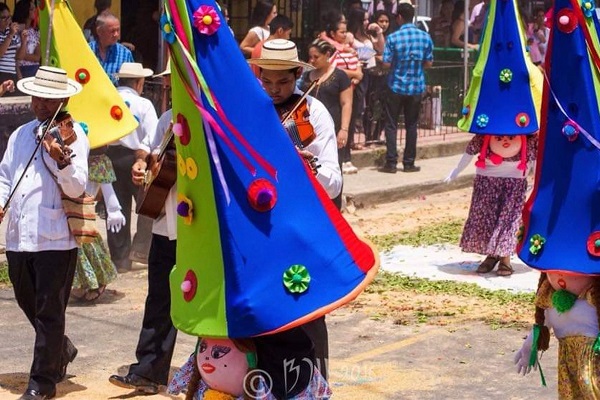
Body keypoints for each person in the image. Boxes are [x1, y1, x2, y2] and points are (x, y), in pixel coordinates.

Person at [248, 39, 342, 396]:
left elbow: (332, 182)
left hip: (301, 231)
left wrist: (307, 167)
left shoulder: (312, 113)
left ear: (297, 75)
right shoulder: (250, 111)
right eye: (267, 82)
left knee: (307, 312)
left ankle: (315, 388)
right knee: (263, 314)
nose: (275, 90)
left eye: (283, 83)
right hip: (260, 228)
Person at [0, 66, 89, 400]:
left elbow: (78, 185)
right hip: (20, 235)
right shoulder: (21, 134)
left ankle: (42, 383)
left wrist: (60, 160)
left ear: (62, 99)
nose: (39, 104)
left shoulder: (73, 133)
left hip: (55, 237)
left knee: (50, 311)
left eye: (47, 98)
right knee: (27, 301)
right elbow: (6, 174)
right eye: (36, 96)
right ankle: (60, 349)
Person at [109, 63, 177, 395]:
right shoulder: (166, 120)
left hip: (202, 228)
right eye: (170, 82)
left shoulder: (212, 122)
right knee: (159, 299)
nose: (172, 88)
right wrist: (141, 166)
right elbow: (150, 155)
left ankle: (222, 369)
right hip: (166, 224)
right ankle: (149, 370)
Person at [445, 134, 537, 276]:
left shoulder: (529, 141)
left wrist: (537, 181)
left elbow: (535, 161)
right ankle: (492, 255)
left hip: (514, 186)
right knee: (486, 220)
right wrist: (457, 170)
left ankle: (504, 259)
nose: (505, 140)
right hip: (486, 184)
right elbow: (470, 150)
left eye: (510, 137)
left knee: (508, 222)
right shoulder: (482, 138)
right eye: (500, 138)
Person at [107, 62, 157, 273]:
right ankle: (140, 248)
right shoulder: (143, 104)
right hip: (138, 157)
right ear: (138, 82)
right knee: (149, 204)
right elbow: (153, 136)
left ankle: (119, 257)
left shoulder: (106, 100)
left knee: (116, 207)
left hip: (109, 156)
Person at [379, 2, 433, 174]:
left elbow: (386, 64)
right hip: (416, 87)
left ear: (399, 17)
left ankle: (391, 162)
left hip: (395, 85)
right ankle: (409, 163)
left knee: (391, 125)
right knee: (411, 125)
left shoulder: (393, 38)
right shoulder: (425, 37)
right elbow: (429, 63)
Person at [300, 38, 352, 209]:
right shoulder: (307, 76)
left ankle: (335, 208)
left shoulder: (340, 76)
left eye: (316, 57)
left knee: (333, 168)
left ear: (327, 55)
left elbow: (346, 103)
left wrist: (344, 129)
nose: (312, 61)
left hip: (334, 128)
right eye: (310, 57)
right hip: (311, 129)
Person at [69, 153, 124, 302]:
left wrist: (114, 209)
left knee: (88, 247)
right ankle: (82, 283)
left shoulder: (99, 161)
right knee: (73, 250)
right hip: (66, 208)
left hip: (85, 209)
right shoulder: (66, 157)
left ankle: (98, 281)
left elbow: (107, 188)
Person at [326, 16, 363, 175]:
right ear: (333, 34)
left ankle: (347, 158)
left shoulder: (351, 51)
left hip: (353, 93)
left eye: (345, 31)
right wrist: (353, 74)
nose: (344, 34)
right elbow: (333, 70)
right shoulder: (332, 51)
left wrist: (355, 74)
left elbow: (359, 73)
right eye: (341, 32)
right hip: (339, 96)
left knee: (349, 125)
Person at [89, 11, 134, 85]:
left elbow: (131, 83)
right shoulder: (87, 51)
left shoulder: (125, 54)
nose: (116, 34)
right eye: (112, 31)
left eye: (118, 30)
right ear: (99, 31)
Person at [249, 14, 293, 78]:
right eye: (288, 34)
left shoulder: (258, 46)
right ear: (280, 31)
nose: (288, 38)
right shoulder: (272, 50)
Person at [13, 0, 39, 79]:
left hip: (35, 69)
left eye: (34, 8)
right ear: (24, 11)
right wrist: (20, 56)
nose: (35, 11)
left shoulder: (35, 32)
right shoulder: (15, 30)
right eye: (31, 9)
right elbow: (14, 56)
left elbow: (37, 57)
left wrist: (21, 55)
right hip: (20, 70)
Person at [0, 3, 21, 94]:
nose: (8, 20)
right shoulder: (11, 34)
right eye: (4, 18)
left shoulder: (11, 32)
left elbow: (18, 57)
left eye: (9, 17)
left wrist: (24, 42)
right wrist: (10, 35)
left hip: (12, 72)